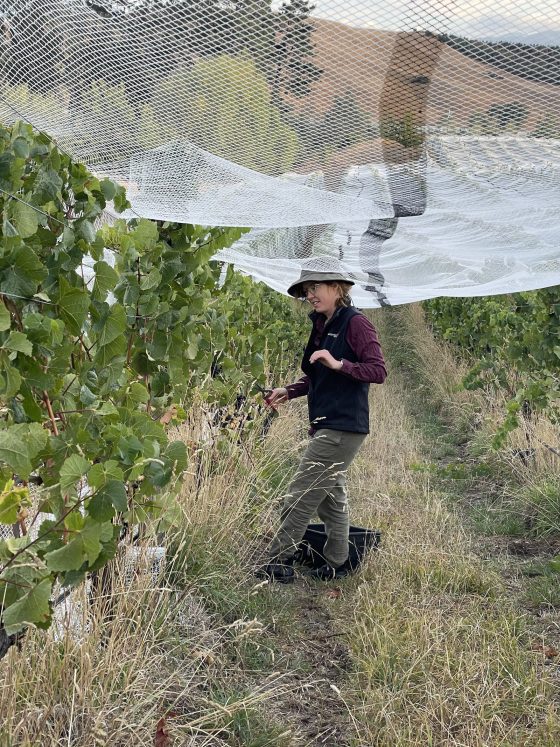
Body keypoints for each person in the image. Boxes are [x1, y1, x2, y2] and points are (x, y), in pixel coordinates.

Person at [258, 259, 387, 583]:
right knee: (330, 500)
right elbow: (318, 374)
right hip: (326, 422)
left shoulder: (356, 324)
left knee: (300, 494)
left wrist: (340, 363)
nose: (310, 295)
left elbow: (378, 370)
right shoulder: (322, 323)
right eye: (306, 290)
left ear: (336, 287)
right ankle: (336, 562)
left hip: (342, 426)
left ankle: (278, 560)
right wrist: (289, 390)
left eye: (315, 287)